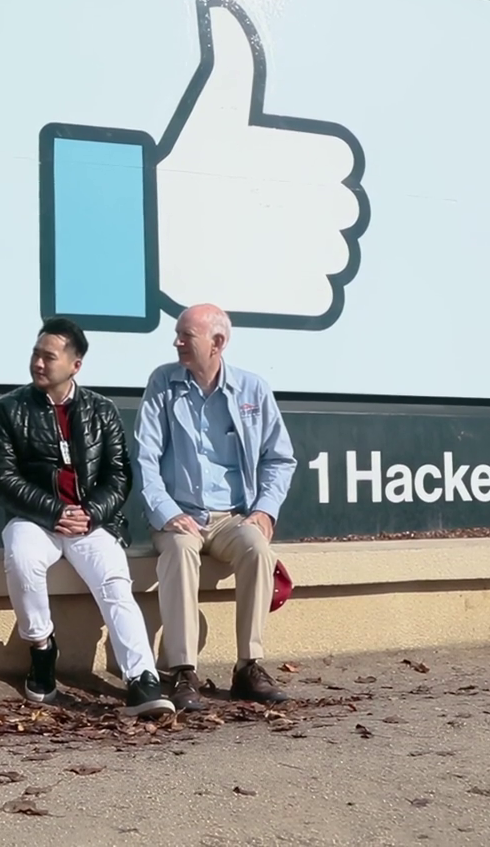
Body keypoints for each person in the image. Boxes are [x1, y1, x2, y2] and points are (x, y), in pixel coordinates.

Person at [0, 317, 175, 718]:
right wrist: (54, 511)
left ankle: (141, 678)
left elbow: (118, 476)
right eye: (35, 354)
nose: (38, 363)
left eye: (48, 357)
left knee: (114, 581)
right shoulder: (10, 409)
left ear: (75, 365)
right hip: (35, 519)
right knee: (21, 558)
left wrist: (90, 513)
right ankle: (41, 648)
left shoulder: (101, 410)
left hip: (91, 523)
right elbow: (1, 477)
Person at [136, 303, 296, 710]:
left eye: (186, 336)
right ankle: (182, 671)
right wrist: (167, 512)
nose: (177, 342)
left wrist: (265, 510)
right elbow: (144, 460)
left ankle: (248, 667)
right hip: (178, 515)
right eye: (177, 334)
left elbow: (280, 459)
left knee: (258, 550)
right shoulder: (163, 383)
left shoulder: (253, 389)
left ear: (218, 342)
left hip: (232, 517)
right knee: (179, 552)